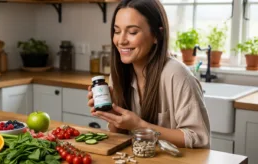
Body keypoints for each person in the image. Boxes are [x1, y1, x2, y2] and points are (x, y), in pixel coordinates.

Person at [87, 0, 210, 148]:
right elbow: (119, 134)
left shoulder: (177, 75)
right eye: (117, 31)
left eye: (132, 32)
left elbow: (198, 138)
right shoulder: (119, 73)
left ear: (157, 35)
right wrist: (113, 113)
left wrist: (140, 126)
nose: (121, 40)